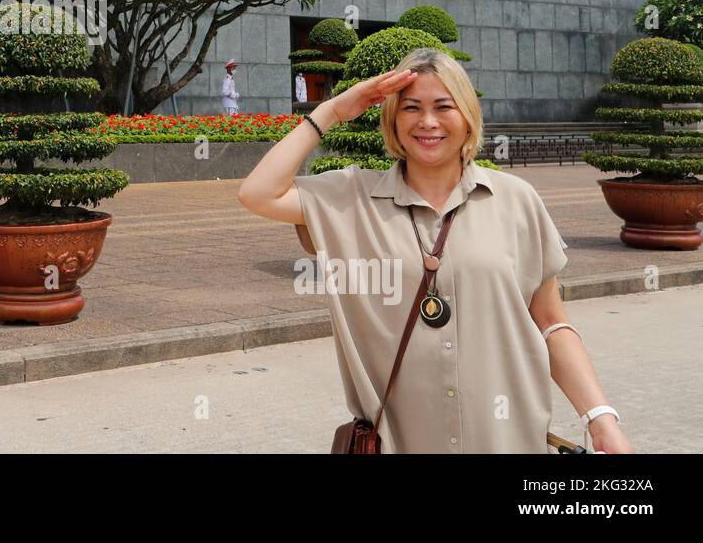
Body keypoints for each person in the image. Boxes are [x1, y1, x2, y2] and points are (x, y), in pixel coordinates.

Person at [237, 47, 633, 454]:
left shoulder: (516, 200)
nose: (427, 122)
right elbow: (257, 193)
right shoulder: (350, 198)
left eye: (443, 106)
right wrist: (334, 110)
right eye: (410, 108)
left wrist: (600, 416)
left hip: (508, 440)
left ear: (467, 118)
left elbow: (552, 323)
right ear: (392, 120)